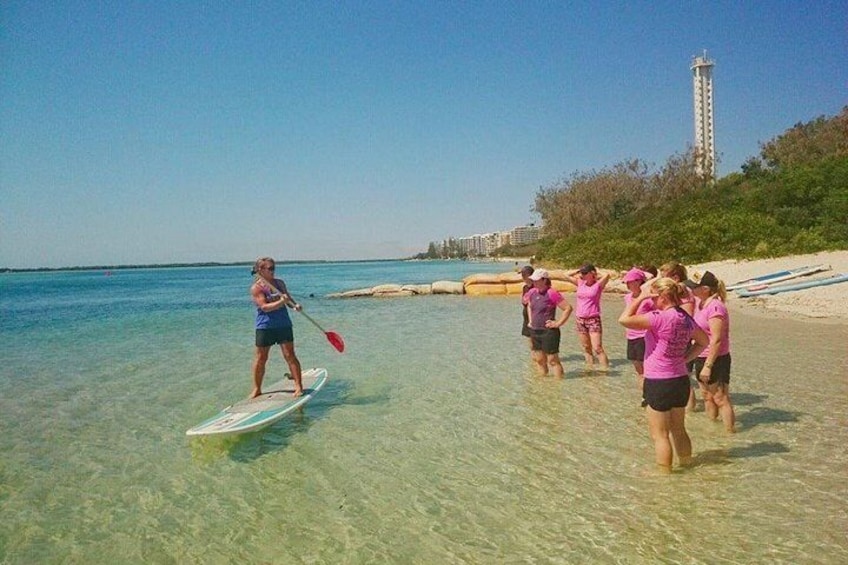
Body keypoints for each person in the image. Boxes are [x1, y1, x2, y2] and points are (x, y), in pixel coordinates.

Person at [619, 277, 709, 472]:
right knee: (679, 429)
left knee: (660, 435)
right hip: (680, 380)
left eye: (653, 296)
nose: (651, 301)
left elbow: (624, 319)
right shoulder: (685, 318)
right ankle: (687, 465)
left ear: (662, 297)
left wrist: (640, 297)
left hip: (658, 381)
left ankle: (665, 477)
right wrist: (684, 359)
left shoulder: (658, 317)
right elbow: (703, 341)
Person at [685, 271, 736, 433]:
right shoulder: (701, 304)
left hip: (715, 358)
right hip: (701, 355)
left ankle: (729, 433)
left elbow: (717, 339)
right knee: (707, 396)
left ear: (705, 289)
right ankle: (712, 430)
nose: (691, 289)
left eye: (694, 287)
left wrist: (708, 365)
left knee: (720, 398)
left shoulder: (715, 307)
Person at [250, 257, 304, 399]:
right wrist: (281, 301)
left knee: (290, 355)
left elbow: (289, 299)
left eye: (274, 267)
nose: (273, 271)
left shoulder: (279, 283)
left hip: (283, 324)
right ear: (261, 270)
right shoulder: (257, 288)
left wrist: (295, 305)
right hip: (265, 326)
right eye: (270, 268)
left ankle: (298, 386)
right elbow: (264, 307)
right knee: (261, 358)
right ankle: (257, 389)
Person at [660, 261, 697, 410]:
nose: (661, 280)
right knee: (679, 375)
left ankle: (689, 411)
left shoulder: (683, 291)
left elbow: (687, 316)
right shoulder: (680, 291)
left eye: (664, 277)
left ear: (675, 278)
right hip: (676, 337)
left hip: (682, 338)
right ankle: (685, 409)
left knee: (685, 376)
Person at [522, 269, 573, 378]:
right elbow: (529, 306)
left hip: (548, 332)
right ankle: (543, 385)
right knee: (539, 360)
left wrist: (558, 323)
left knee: (552, 360)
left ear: (544, 280)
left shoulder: (552, 293)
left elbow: (568, 308)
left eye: (537, 280)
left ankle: (558, 385)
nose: (534, 283)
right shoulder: (532, 292)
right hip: (535, 331)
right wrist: (530, 321)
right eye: (533, 280)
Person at [564, 263, 611, 371]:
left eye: (585, 273)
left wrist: (597, 270)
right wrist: (578, 271)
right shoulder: (580, 283)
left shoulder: (598, 285)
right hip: (580, 319)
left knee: (597, 347)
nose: (582, 275)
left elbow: (607, 275)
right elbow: (565, 275)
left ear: (592, 273)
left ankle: (605, 370)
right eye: (582, 273)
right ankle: (589, 368)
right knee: (586, 348)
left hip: (593, 319)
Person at [622, 268, 654, 398]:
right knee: (638, 370)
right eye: (626, 282)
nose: (628, 285)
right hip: (631, 336)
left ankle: (650, 396)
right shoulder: (627, 297)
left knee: (647, 370)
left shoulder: (648, 298)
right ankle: (644, 397)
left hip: (644, 336)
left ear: (638, 281)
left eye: (630, 282)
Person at [519, 265, 535, 350]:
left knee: (535, 339)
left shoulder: (536, 287)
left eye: (524, 275)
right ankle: (533, 360)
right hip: (526, 317)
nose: (523, 277)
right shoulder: (525, 287)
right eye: (522, 275)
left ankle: (539, 359)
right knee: (529, 338)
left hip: (534, 316)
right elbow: (523, 301)